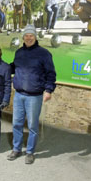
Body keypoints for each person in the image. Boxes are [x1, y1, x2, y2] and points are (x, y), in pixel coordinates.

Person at [7, 24, 56, 164]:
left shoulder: (44, 53)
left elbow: (50, 74)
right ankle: (16, 149)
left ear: (35, 37)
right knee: (16, 123)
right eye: (26, 35)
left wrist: (48, 90)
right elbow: (13, 67)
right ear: (23, 37)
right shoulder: (19, 52)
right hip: (19, 95)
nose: (28, 38)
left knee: (33, 126)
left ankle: (30, 152)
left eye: (31, 35)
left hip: (35, 96)